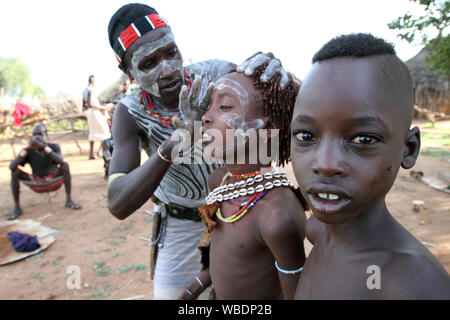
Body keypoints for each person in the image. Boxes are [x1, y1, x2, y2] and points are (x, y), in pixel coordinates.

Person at [106, 3, 289, 299]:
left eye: (170, 52)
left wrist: (274, 75)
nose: (167, 70)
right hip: (183, 226)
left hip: (243, 212)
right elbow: (118, 203)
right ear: (127, 71)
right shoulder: (130, 111)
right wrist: (172, 145)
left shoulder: (217, 75)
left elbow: (278, 107)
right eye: (149, 63)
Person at [290, 33, 450, 299]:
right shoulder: (317, 232)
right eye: (306, 136)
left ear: (408, 149)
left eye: (363, 139)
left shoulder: (413, 282)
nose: (326, 165)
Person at [179, 64, 306, 300]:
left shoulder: (278, 214)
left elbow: (296, 295)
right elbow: (227, 259)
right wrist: (194, 287)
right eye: (209, 107)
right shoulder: (219, 182)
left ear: (267, 128)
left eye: (224, 106)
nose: (206, 118)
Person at [8, 124, 81, 220]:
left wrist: (45, 148)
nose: (37, 136)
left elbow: (61, 161)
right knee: (15, 172)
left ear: (46, 135)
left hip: (53, 179)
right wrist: (26, 149)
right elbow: (12, 166)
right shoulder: (29, 150)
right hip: (37, 181)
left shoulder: (53, 147)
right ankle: (17, 207)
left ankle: (69, 200)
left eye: (40, 134)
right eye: (35, 134)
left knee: (65, 166)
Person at [83, 75, 111, 160]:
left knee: (92, 132)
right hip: (95, 112)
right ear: (92, 81)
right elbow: (92, 103)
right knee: (104, 132)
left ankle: (91, 153)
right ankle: (105, 152)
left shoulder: (85, 90)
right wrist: (101, 108)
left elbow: (84, 104)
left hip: (89, 112)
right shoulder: (92, 90)